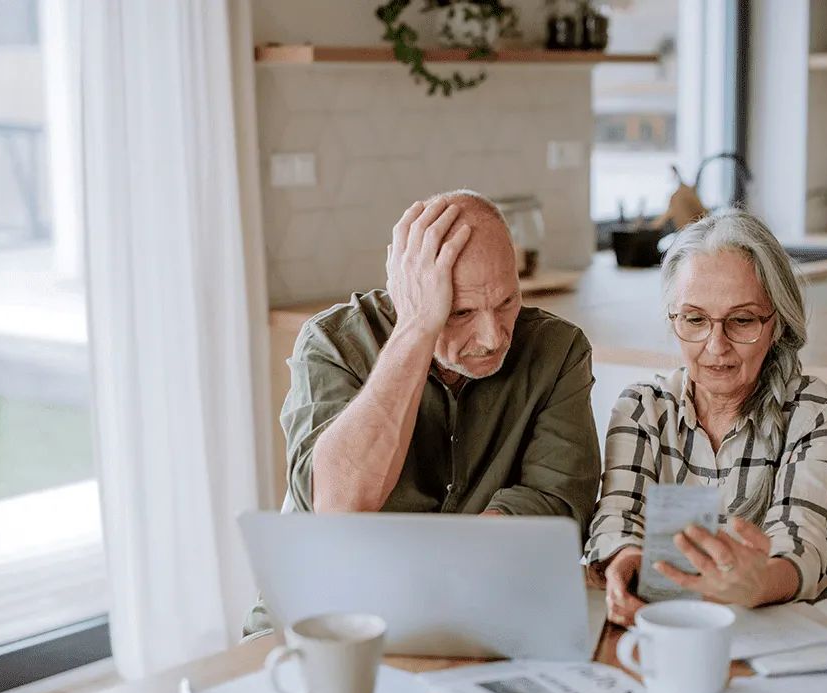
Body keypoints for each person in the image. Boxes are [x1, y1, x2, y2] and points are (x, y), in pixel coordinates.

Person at [244, 190, 601, 635]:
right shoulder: (333, 342)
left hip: (478, 611)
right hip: (321, 619)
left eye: (507, 301)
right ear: (407, 295)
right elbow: (339, 507)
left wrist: (432, 581)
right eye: (461, 312)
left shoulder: (557, 351)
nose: (492, 338)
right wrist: (417, 329)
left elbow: (558, 508)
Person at [584, 209, 827, 627]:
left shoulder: (821, 414)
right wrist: (626, 560)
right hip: (697, 631)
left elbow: (801, 543)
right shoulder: (643, 408)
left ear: (776, 324)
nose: (715, 346)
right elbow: (619, 515)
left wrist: (755, 582)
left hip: (825, 631)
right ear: (674, 320)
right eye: (695, 319)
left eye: (742, 320)